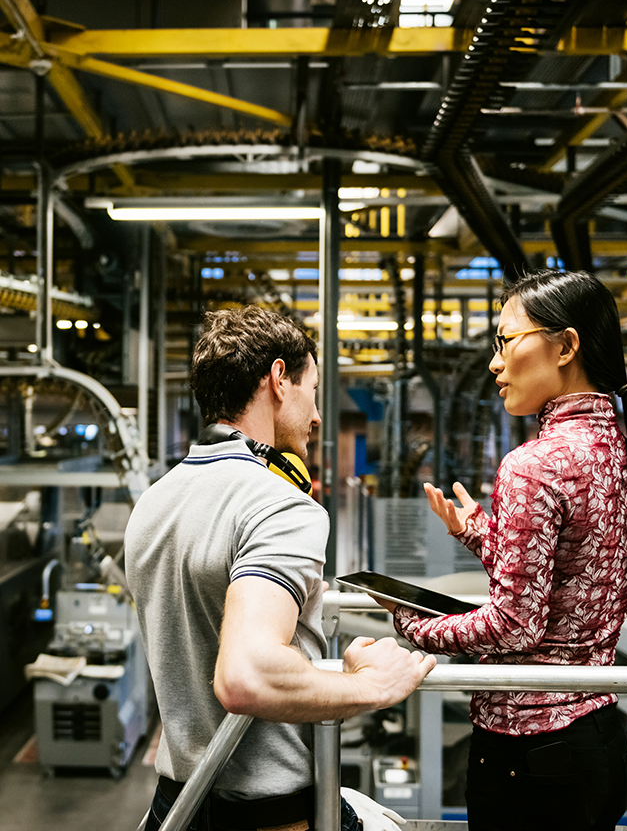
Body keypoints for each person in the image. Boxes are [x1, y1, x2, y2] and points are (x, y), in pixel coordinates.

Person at [378, 270, 627, 831]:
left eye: (505, 341)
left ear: (565, 346)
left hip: (529, 759)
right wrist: (479, 533)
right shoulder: (620, 446)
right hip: (595, 742)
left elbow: (516, 625)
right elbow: (566, 582)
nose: (494, 363)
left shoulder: (533, 464)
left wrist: (414, 626)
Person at [125, 306, 436, 831]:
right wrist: (373, 687)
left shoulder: (154, 503)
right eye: (312, 391)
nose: (317, 417)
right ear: (278, 380)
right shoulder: (282, 506)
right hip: (271, 815)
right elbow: (247, 675)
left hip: (178, 805)